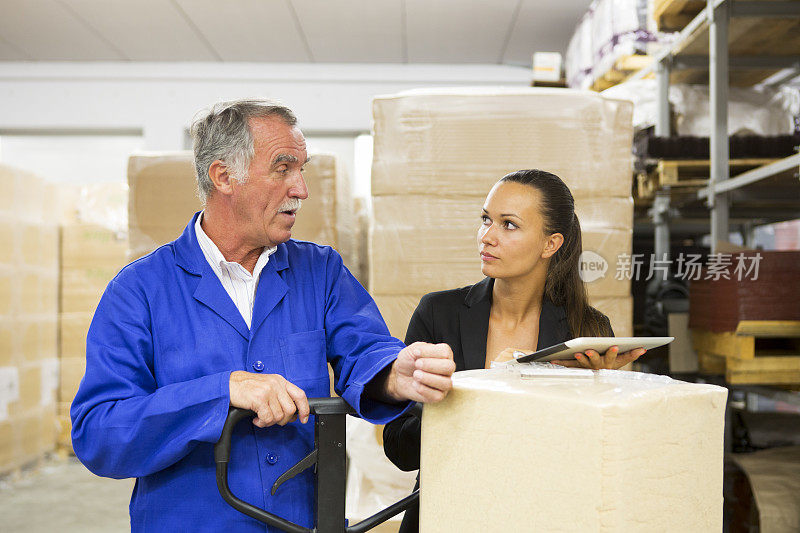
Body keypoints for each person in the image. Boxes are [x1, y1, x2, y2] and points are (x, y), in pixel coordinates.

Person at [70, 99, 455, 532]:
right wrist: (222, 391)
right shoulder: (139, 290)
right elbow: (99, 432)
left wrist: (393, 373)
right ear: (223, 176)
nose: (302, 189)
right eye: (283, 168)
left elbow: (366, 350)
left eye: (302, 169)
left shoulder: (320, 272)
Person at [383, 169, 647, 533]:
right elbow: (399, 449)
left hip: (542, 515)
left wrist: (590, 392)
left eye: (509, 225)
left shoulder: (586, 332)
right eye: (486, 220)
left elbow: (595, 459)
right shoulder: (438, 315)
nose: (487, 237)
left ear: (550, 244)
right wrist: (449, 409)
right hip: (447, 512)